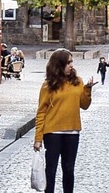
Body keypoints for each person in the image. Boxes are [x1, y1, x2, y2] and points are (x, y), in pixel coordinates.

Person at [34, 49, 95, 193]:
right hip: (52, 133)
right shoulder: (48, 85)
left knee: (69, 170)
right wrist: (38, 139)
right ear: (59, 65)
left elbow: (84, 105)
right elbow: (41, 112)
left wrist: (87, 89)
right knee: (51, 170)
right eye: (68, 63)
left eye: (71, 62)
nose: (71, 65)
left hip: (72, 132)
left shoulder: (77, 81)